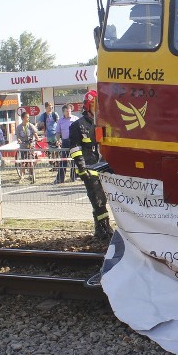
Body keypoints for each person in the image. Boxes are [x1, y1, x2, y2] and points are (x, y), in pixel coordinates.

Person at [70, 90, 113, 242]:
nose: (96, 107)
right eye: (94, 104)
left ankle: (102, 228)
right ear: (88, 106)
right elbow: (75, 150)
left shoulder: (99, 124)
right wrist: (82, 168)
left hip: (101, 167)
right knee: (98, 200)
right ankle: (103, 229)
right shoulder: (77, 126)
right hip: (88, 169)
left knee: (102, 199)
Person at [54, 103, 79, 184]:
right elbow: (57, 132)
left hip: (74, 141)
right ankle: (60, 179)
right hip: (65, 142)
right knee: (63, 160)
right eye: (67, 111)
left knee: (74, 160)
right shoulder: (60, 121)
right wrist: (58, 140)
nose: (68, 112)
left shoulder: (75, 119)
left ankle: (73, 177)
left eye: (69, 111)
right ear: (63, 112)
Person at [15, 111, 41, 182]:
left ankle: (32, 175)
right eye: (27, 117)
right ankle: (22, 176)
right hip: (23, 146)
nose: (28, 118)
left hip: (30, 145)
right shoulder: (19, 127)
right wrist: (19, 140)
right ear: (23, 118)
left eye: (28, 117)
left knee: (31, 160)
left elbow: (35, 133)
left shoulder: (30, 125)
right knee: (23, 162)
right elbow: (18, 137)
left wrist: (37, 138)